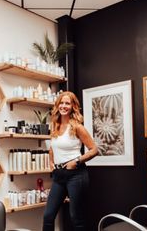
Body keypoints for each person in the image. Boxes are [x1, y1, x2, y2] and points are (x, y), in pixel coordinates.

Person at [42, 91, 98, 231]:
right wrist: (51, 163)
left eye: (67, 103)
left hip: (76, 175)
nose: (64, 106)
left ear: (73, 106)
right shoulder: (55, 125)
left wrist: (76, 162)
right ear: (57, 105)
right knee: (48, 216)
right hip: (59, 175)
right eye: (61, 103)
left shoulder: (77, 127)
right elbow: (52, 148)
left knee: (76, 218)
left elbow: (94, 150)